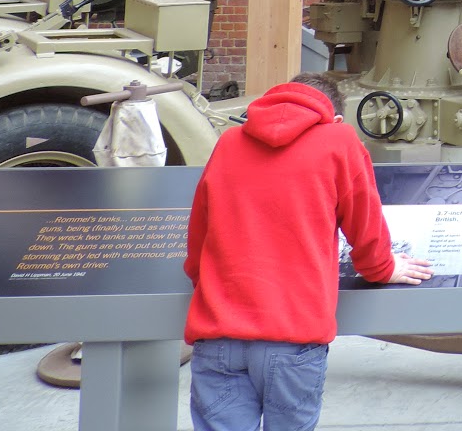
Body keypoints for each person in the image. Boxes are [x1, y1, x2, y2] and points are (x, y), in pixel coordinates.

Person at [184, 72, 433, 431]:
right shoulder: (338, 140)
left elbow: (199, 236)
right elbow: (365, 224)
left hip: (219, 334)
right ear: (333, 117)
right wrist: (383, 268)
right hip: (293, 337)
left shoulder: (230, 141)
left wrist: (207, 286)